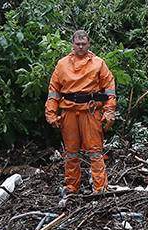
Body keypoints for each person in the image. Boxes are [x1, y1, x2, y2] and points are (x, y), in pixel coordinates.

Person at [45, 30, 117, 196]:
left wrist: (109, 111)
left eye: (83, 44)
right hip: (69, 112)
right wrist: (51, 113)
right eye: (78, 44)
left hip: (90, 111)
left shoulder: (98, 63)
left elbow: (109, 89)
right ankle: (72, 186)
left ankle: (100, 187)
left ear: (89, 44)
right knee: (71, 152)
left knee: (95, 151)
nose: (81, 47)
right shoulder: (62, 64)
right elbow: (54, 91)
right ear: (73, 44)